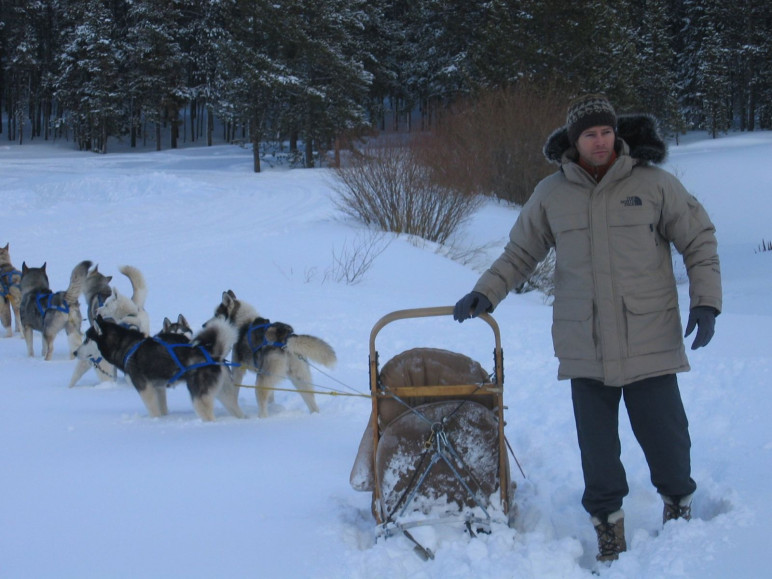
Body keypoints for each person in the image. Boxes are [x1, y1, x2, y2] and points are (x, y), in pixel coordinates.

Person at [453, 94, 721, 562]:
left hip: (649, 333)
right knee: (597, 448)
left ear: (616, 134)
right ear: (573, 142)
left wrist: (707, 302)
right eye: (589, 134)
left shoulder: (655, 184)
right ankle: (607, 527)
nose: (600, 142)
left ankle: (678, 506)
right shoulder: (551, 194)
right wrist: (486, 292)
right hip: (585, 340)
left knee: (666, 436)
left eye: (605, 132)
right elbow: (519, 253)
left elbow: (698, 239)